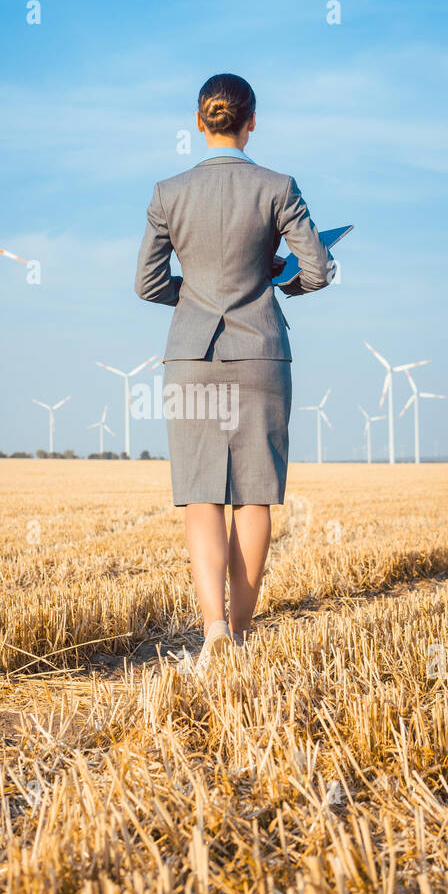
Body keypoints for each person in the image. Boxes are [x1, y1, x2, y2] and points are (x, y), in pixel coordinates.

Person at [135, 73, 335, 670]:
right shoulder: (277, 187)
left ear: (200, 122)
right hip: (261, 354)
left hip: (192, 358)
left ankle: (213, 632)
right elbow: (318, 270)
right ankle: (242, 641)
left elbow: (146, 284)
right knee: (254, 498)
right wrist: (282, 282)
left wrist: (196, 297)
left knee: (203, 497)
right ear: (252, 122)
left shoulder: (168, 192)